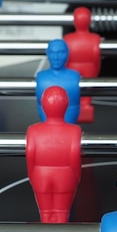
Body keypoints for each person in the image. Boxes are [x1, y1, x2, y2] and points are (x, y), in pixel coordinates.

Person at [26, 86, 82, 223]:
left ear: (43, 104)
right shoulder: (74, 131)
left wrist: (33, 176)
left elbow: (30, 156)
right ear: (67, 104)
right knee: (62, 213)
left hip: (41, 176)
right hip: (65, 176)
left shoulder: (33, 130)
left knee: (45, 213)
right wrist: (75, 176)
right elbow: (74, 157)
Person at [64, 7, 101, 123]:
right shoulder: (95, 38)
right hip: (89, 67)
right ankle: (84, 107)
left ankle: (79, 107)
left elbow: (65, 58)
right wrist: (96, 68)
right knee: (86, 92)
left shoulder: (67, 38)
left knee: (75, 91)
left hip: (73, 67)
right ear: (89, 21)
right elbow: (96, 57)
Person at [36, 39, 81, 124]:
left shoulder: (74, 76)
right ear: (47, 53)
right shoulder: (41, 77)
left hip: (70, 130)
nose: (56, 57)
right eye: (52, 53)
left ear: (67, 53)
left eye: (60, 53)